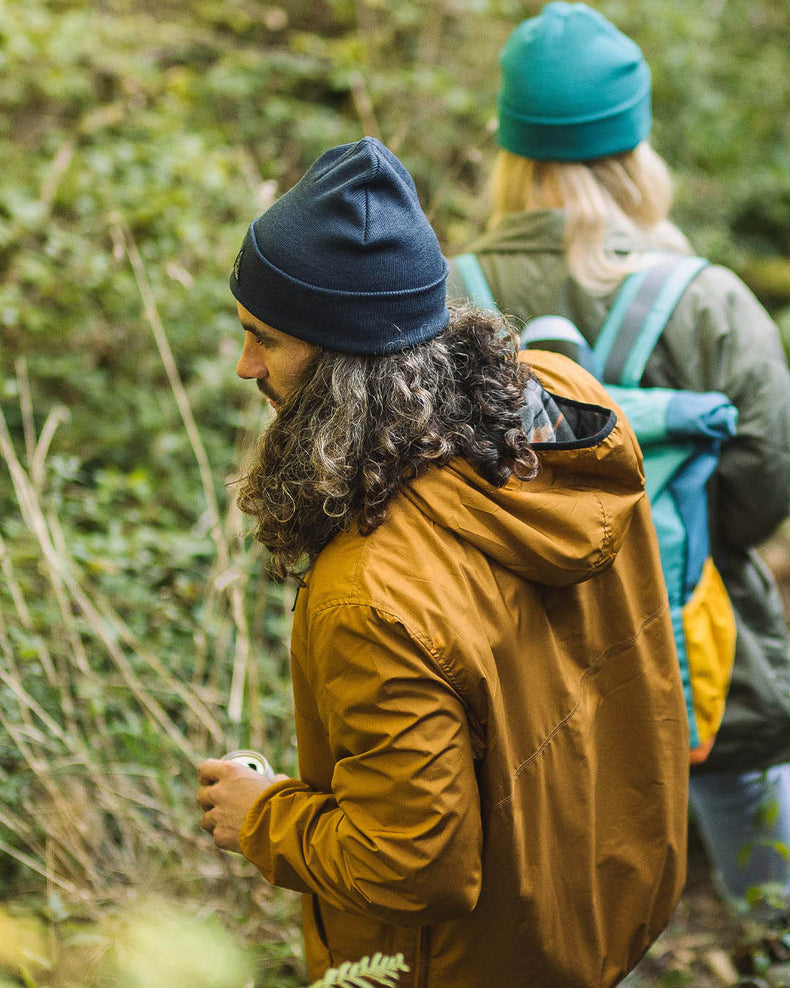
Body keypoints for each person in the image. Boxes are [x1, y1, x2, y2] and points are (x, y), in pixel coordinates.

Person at [195, 135, 689, 987]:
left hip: (473, 965)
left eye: (264, 339)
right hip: (600, 900)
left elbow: (411, 865)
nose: (246, 368)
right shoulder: (563, 413)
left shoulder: (371, 594)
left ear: (345, 357)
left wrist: (264, 816)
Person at [446, 0, 790, 918]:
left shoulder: (442, 299)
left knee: (567, 922)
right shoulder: (709, 300)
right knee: (775, 899)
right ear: (637, 149)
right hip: (703, 662)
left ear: (509, 149)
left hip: (522, 684)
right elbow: (763, 491)